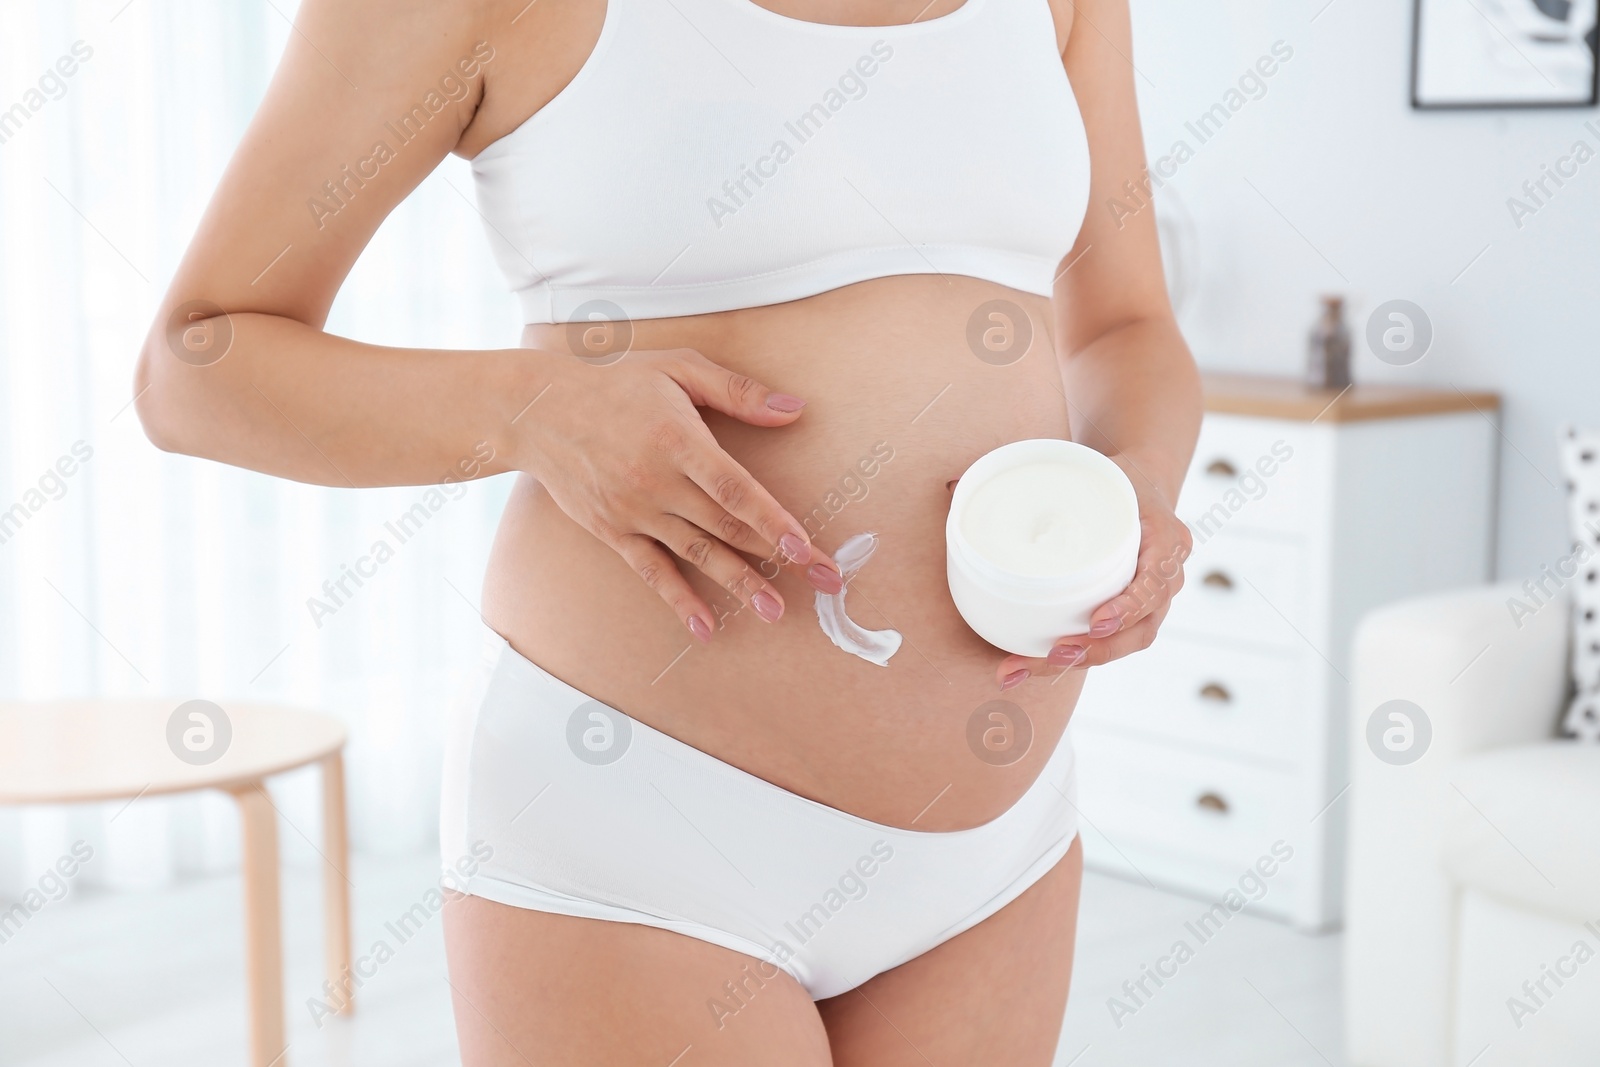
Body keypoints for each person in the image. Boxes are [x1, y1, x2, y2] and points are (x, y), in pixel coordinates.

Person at [134, 0, 1201, 1061]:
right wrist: (532, 408)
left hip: (995, 845)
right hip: (639, 832)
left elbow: (1123, 325)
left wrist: (1140, 482)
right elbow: (195, 368)